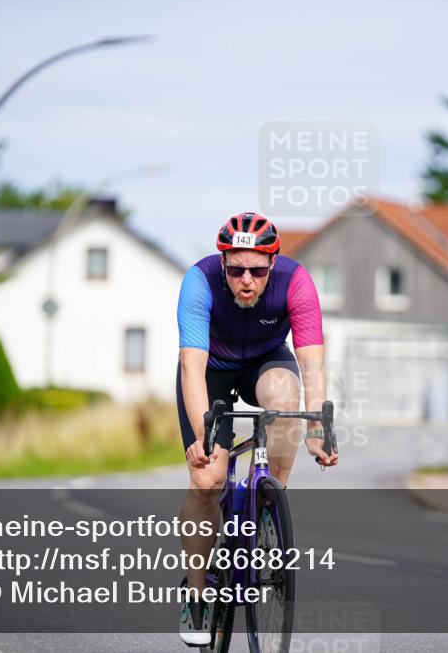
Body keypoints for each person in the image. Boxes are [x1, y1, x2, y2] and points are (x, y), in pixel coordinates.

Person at [175, 212, 338, 645]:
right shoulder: (200, 281)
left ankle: (269, 506)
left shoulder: (296, 282)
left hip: (265, 362)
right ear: (223, 262)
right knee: (207, 481)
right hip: (211, 372)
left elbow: (312, 361)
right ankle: (196, 595)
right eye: (236, 269)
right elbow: (191, 368)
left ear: (273, 263)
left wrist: (319, 428)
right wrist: (203, 438)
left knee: (285, 394)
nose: (246, 280)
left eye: (258, 270)